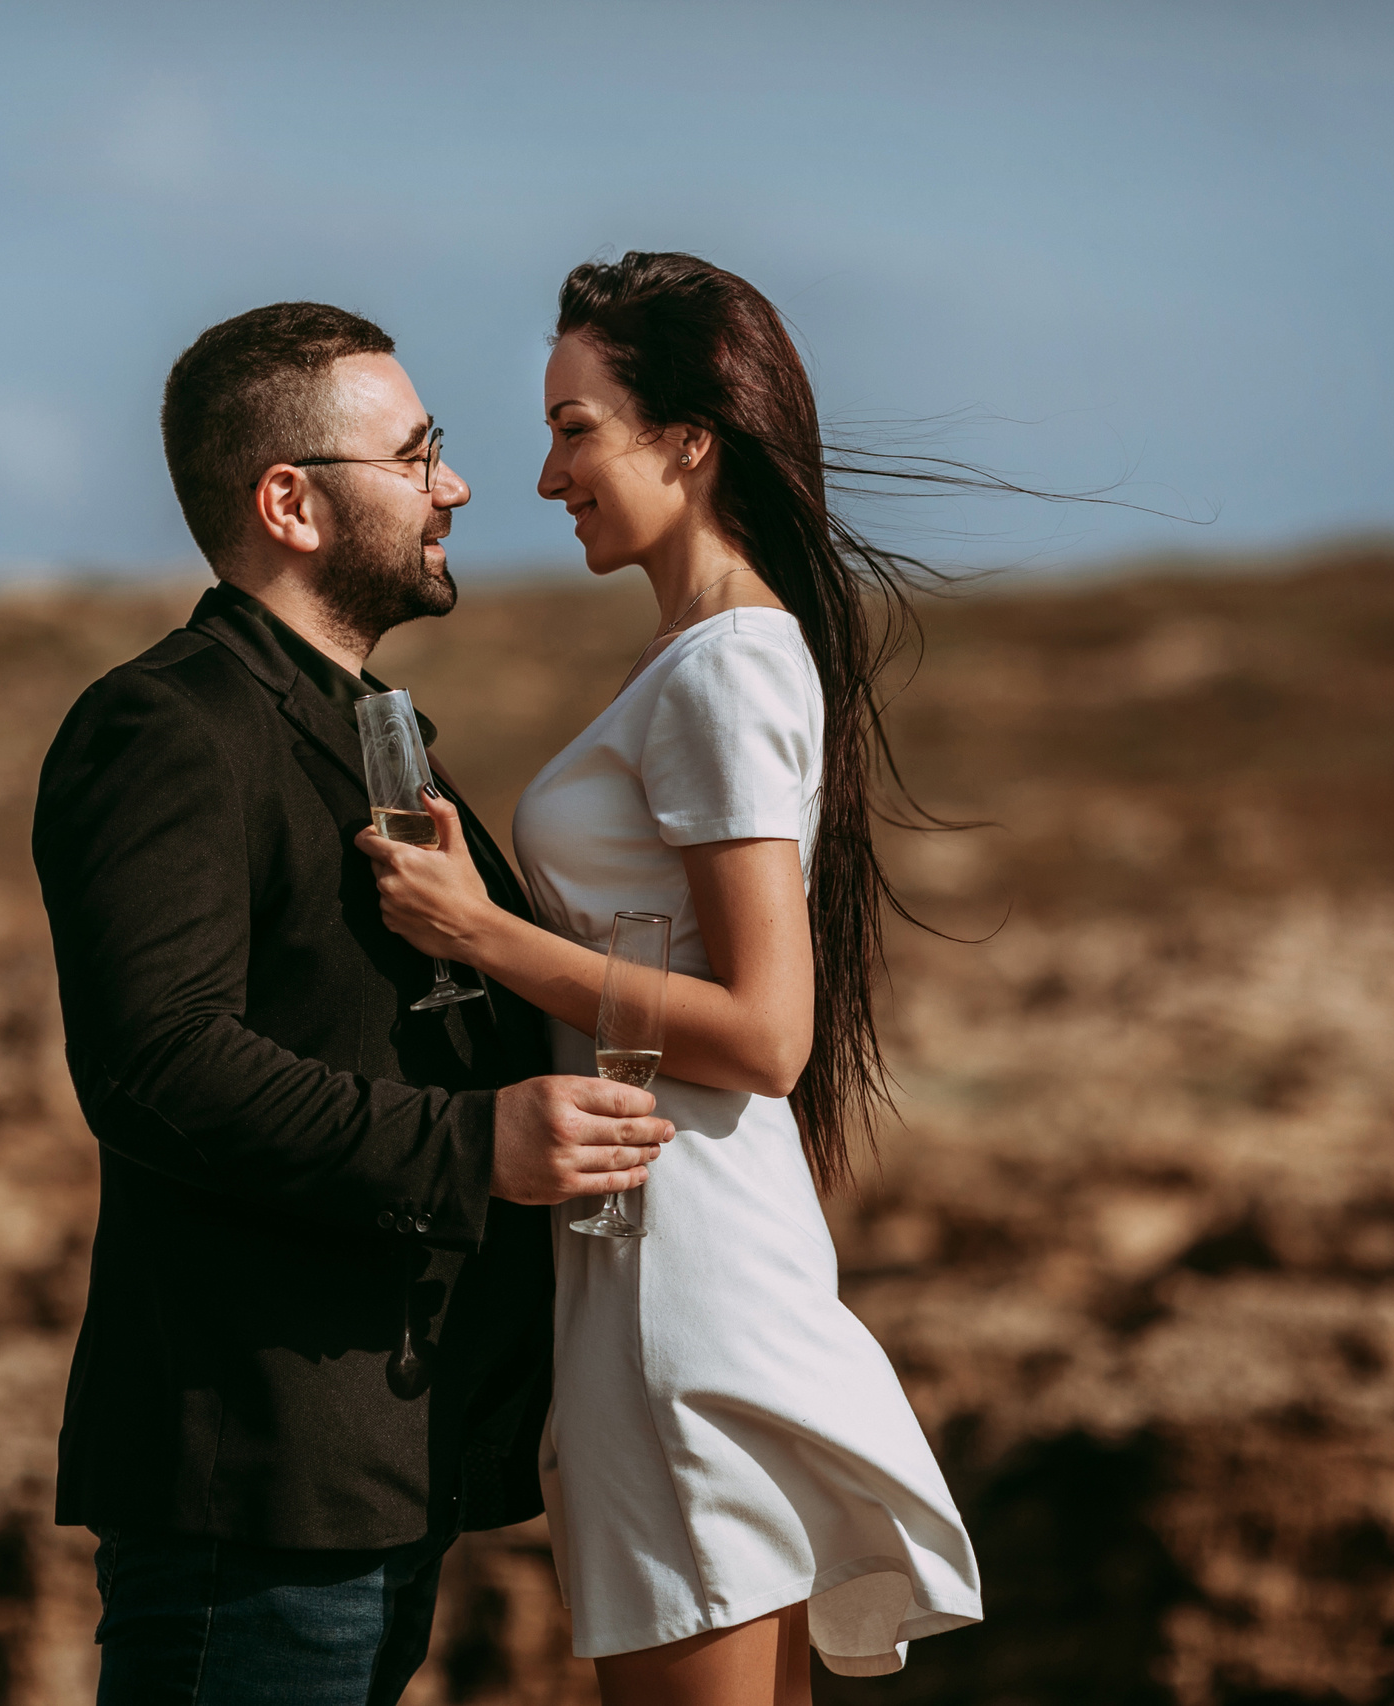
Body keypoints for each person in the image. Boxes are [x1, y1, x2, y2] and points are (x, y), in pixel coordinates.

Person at [359, 253, 985, 1702]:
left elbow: (768, 1033)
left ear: (688, 440)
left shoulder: (725, 668)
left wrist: (476, 929)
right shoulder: (705, 658)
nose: (544, 473)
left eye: (577, 427)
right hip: (656, 1229)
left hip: (674, 1263)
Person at [32, 301, 674, 1706]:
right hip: (254, 1493)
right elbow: (158, 1064)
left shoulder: (365, 724)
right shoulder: (166, 725)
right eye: (417, 453)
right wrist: (473, 1147)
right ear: (293, 503)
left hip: (369, 1474)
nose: (454, 484)